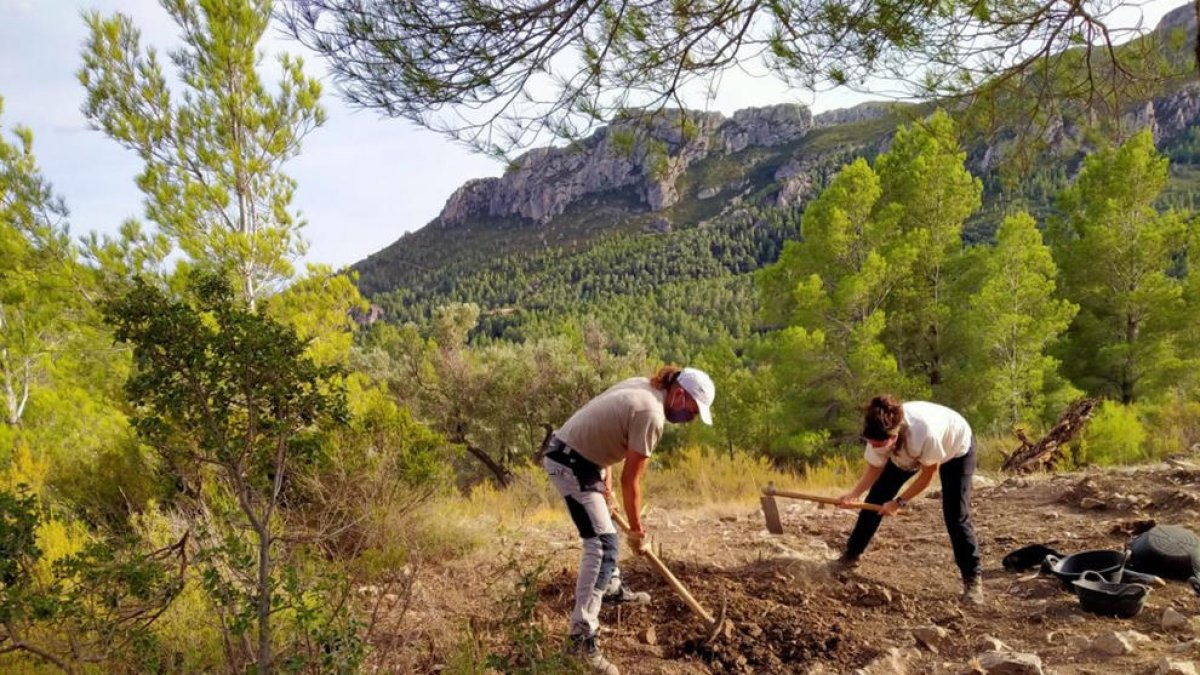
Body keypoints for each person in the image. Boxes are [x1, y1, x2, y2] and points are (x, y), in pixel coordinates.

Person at [543, 365, 715, 674]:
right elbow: (632, 480)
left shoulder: (644, 387)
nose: (690, 418)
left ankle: (611, 587)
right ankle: (580, 642)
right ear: (679, 394)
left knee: (605, 532)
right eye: (691, 410)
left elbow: (607, 437)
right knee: (603, 544)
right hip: (569, 463)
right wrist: (637, 531)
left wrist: (605, 489)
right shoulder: (652, 414)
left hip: (585, 460)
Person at [832, 395, 984, 605]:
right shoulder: (877, 433)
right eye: (871, 444)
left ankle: (972, 580)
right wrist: (853, 495)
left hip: (955, 449)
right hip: (905, 453)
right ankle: (850, 556)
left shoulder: (923, 434)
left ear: (893, 437)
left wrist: (898, 502)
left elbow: (928, 475)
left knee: (955, 515)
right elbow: (875, 468)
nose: (875, 448)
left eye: (880, 444)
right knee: (875, 498)